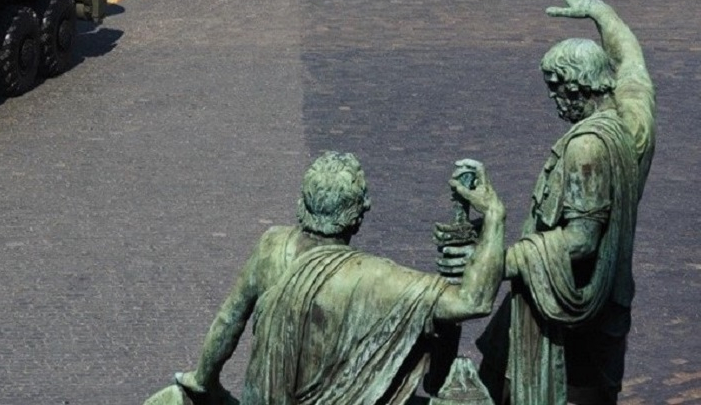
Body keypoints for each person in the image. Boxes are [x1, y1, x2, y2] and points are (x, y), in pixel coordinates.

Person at [153, 150, 507, 405]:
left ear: (302, 206)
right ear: (359, 214)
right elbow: (472, 301)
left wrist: (203, 381)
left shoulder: (271, 247)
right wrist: (493, 214)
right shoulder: (378, 278)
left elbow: (229, 319)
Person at [474, 0, 655, 405]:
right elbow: (632, 62)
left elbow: (581, 240)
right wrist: (601, 13)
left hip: (569, 312)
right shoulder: (635, 123)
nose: (553, 99)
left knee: (516, 387)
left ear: (575, 88)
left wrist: (501, 260)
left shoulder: (586, 148)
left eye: (555, 88)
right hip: (606, 305)